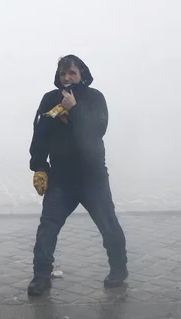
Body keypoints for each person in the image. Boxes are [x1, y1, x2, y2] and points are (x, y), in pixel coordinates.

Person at [27, 55, 128, 296]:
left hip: (93, 177)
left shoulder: (95, 98)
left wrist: (74, 109)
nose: (67, 78)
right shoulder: (50, 99)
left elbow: (98, 129)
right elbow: (39, 134)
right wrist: (39, 165)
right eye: (63, 74)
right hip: (61, 178)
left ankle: (119, 270)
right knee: (47, 227)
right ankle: (41, 276)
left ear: (82, 74)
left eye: (72, 73)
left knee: (109, 225)